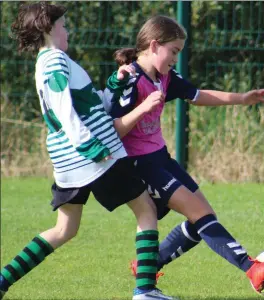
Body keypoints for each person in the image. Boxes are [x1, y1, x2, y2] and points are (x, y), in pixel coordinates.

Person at [0, 5, 177, 300]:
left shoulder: (49, 62)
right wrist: (89, 145)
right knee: (146, 210)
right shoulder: (54, 60)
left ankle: (3, 280)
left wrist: (114, 84)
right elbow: (63, 108)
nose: (68, 31)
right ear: (48, 29)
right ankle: (146, 290)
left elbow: (89, 103)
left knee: (64, 229)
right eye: (64, 26)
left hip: (68, 163)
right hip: (94, 155)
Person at [103, 15, 264, 294]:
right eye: (173, 52)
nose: (176, 59)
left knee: (203, 217)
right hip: (139, 165)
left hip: (161, 159)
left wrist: (242, 98)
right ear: (154, 45)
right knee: (200, 214)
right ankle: (251, 268)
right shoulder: (130, 79)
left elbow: (199, 95)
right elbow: (115, 131)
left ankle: (148, 264)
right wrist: (143, 108)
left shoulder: (164, 76)